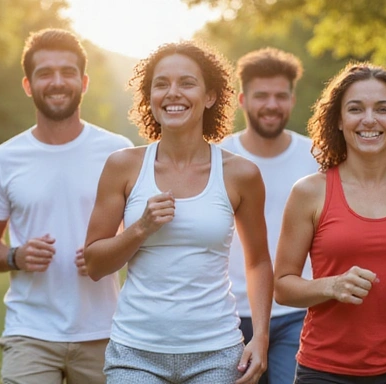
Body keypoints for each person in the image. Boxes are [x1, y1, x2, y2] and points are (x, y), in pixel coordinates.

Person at [84, 40, 274, 384]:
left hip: (216, 354)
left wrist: (260, 336)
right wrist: (140, 228)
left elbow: (258, 260)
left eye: (187, 83)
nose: (173, 93)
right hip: (134, 354)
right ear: (150, 97)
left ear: (210, 96)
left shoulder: (240, 174)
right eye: (161, 84)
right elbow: (95, 264)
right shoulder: (123, 167)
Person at [0, 28, 133, 383]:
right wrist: (16, 256)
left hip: (105, 331)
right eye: (45, 73)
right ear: (28, 85)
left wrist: (104, 253)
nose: (57, 81)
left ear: (84, 81)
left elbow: (140, 236)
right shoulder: (4, 158)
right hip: (30, 331)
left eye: (67, 72)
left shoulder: (118, 151)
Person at [274, 63, 386, 383]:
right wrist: (331, 285)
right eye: (356, 109)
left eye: (382, 109)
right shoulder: (309, 192)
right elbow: (283, 287)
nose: (369, 119)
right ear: (339, 120)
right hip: (325, 367)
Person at [218, 47, 319, 384]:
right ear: (243, 100)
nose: (272, 105)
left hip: (298, 311)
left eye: (280, 96)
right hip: (228, 313)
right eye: (261, 96)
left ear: (292, 100)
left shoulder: (317, 156)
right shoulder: (217, 156)